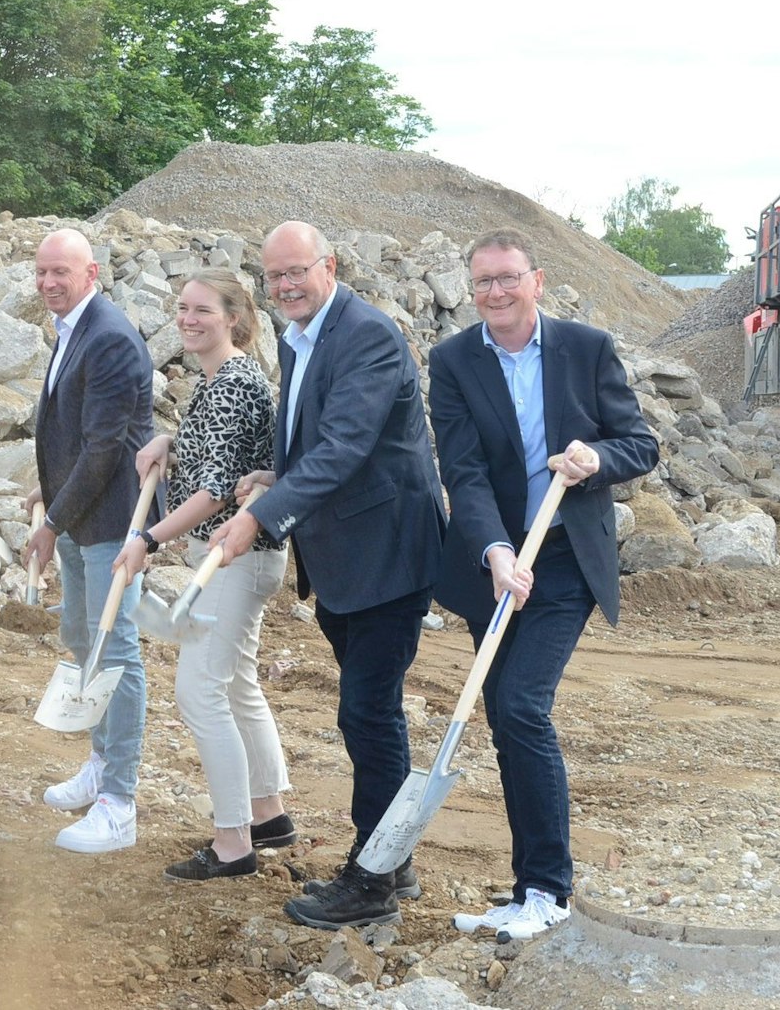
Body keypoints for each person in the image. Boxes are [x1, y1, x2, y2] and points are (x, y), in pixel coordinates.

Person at [211, 220, 445, 929]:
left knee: (366, 712)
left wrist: (259, 516)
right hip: (345, 556)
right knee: (373, 717)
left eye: (296, 272)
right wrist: (276, 475)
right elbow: (320, 436)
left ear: (330, 266)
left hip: (389, 551)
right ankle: (392, 861)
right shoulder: (298, 335)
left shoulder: (367, 335)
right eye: (273, 276)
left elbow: (346, 445)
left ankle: (371, 879)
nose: (284, 286)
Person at [428, 229, 658, 942]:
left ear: (537, 279)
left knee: (523, 706)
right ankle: (527, 886)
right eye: (483, 282)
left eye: (508, 278)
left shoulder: (585, 348)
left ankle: (552, 891)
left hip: (564, 561)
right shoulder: (454, 360)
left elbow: (640, 442)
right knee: (501, 714)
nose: (495, 292)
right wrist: (495, 551)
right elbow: (462, 471)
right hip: (498, 560)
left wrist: (596, 455)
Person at [112, 269, 292, 882]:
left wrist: (147, 538)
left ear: (235, 320)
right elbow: (221, 457)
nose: (188, 319)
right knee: (237, 683)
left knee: (199, 690)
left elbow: (216, 490)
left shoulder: (228, 383)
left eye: (202, 311)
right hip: (253, 556)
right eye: (182, 308)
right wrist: (171, 440)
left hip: (231, 558)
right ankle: (267, 813)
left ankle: (232, 842)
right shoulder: (226, 378)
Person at [22, 228, 155, 854]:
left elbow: (104, 448)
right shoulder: (73, 328)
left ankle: (119, 800)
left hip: (109, 522)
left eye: (61, 273)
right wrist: (48, 494)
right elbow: (68, 429)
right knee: (83, 640)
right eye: (42, 271)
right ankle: (102, 761)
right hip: (79, 515)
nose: (49, 282)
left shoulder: (108, 337)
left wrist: (52, 523)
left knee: (114, 649)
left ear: (91, 272)